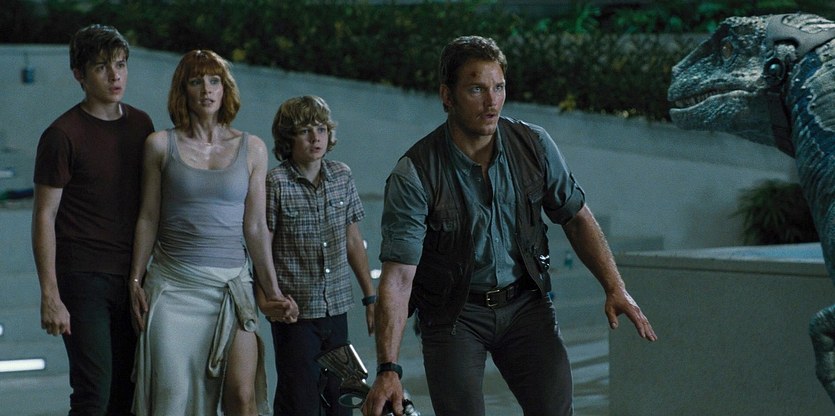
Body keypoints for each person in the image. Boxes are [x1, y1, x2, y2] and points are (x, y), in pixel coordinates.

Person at [362, 35, 658, 416]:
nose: (492, 102)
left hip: (524, 304)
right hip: (454, 313)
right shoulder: (416, 173)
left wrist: (615, 286)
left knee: (555, 408)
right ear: (447, 96)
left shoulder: (533, 144)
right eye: (476, 89)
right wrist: (388, 368)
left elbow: (576, 216)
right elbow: (399, 276)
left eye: (499, 87)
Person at [127, 49, 298, 416]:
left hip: (231, 286)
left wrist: (272, 290)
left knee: (242, 394)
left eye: (214, 81)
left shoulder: (252, 148)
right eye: (196, 81)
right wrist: (136, 279)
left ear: (225, 89)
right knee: (172, 395)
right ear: (183, 90)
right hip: (174, 286)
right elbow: (148, 217)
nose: (206, 89)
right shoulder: (160, 145)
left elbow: (256, 226)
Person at [31, 24, 154, 416]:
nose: (115, 75)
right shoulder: (62, 135)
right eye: (102, 67)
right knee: (93, 393)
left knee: (128, 393)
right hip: (82, 277)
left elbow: (151, 207)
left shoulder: (142, 126)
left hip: (131, 275)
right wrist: (50, 295)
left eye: (121, 64)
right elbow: (44, 216)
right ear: (79, 75)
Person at [263, 95, 377, 415]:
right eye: (305, 131)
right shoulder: (276, 182)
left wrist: (370, 297)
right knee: (300, 402)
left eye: (321, 129)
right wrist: (269, 297)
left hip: (336, 311)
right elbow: (263, 246)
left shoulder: (342, 175)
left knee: (344, 399)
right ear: (288, 138)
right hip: (296, 316)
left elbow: (353, 239)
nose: (315, 138)